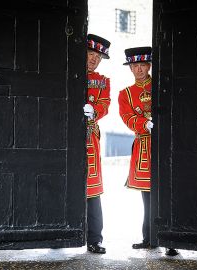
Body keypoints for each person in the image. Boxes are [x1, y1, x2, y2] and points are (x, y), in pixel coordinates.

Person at [118, 46, 178, 256]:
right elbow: (127, 117)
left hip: (165, 145)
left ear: (150, 66)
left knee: (169, 194)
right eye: (135, 66)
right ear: (130, 68)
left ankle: (171, 240)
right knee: (148, 197)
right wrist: (144, 123)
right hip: (144, 147)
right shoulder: (125, 94)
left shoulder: (161, 86)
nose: (139, 69)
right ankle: (150, 238)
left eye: (143, 65)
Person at [83, 34, 111, 254]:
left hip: (89, 138)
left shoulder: (102, 81)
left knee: (92, 189)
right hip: (64, 137)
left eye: (98, 57)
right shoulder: (67, 73)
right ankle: (59, 234)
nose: (94, 59)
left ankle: (95, 238)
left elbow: (104, 103)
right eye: (90, 54)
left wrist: (95, 111)